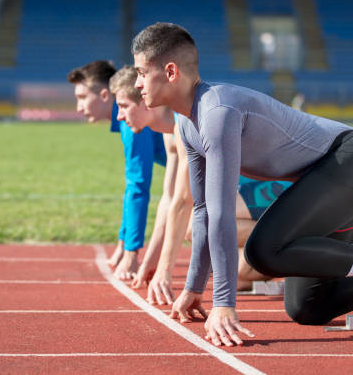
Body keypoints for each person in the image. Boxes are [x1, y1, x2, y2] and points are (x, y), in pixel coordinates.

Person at [131, 22, 353, 347]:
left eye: (142, 72)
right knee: (310, 306)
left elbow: (221, 215)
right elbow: (203, 210)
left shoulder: (216, 111)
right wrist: (193, 288)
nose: (137, 83)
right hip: (324, 177)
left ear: (171, 72)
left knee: (263, 250)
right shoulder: (188, 125)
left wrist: (223, 304)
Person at [111, 65, 288, 303]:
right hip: (243, 196)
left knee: (197, 225)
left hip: (271, 187)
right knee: (238, 274)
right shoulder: (168, 133)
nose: (119, 116)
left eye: (123, 107)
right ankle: (290, 257)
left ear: (145, 102)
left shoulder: (183, 123)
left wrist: (165, 271)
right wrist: (150, 262)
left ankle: (296, 237)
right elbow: (168, 199)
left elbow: (183, 202)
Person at [67, 60, 167, 279]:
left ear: (104, 95)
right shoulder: (127, 118)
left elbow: (138, 186)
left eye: (82, 97)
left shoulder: (132, 121)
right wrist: (123, 244)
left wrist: (131, 255)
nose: (78, 107)